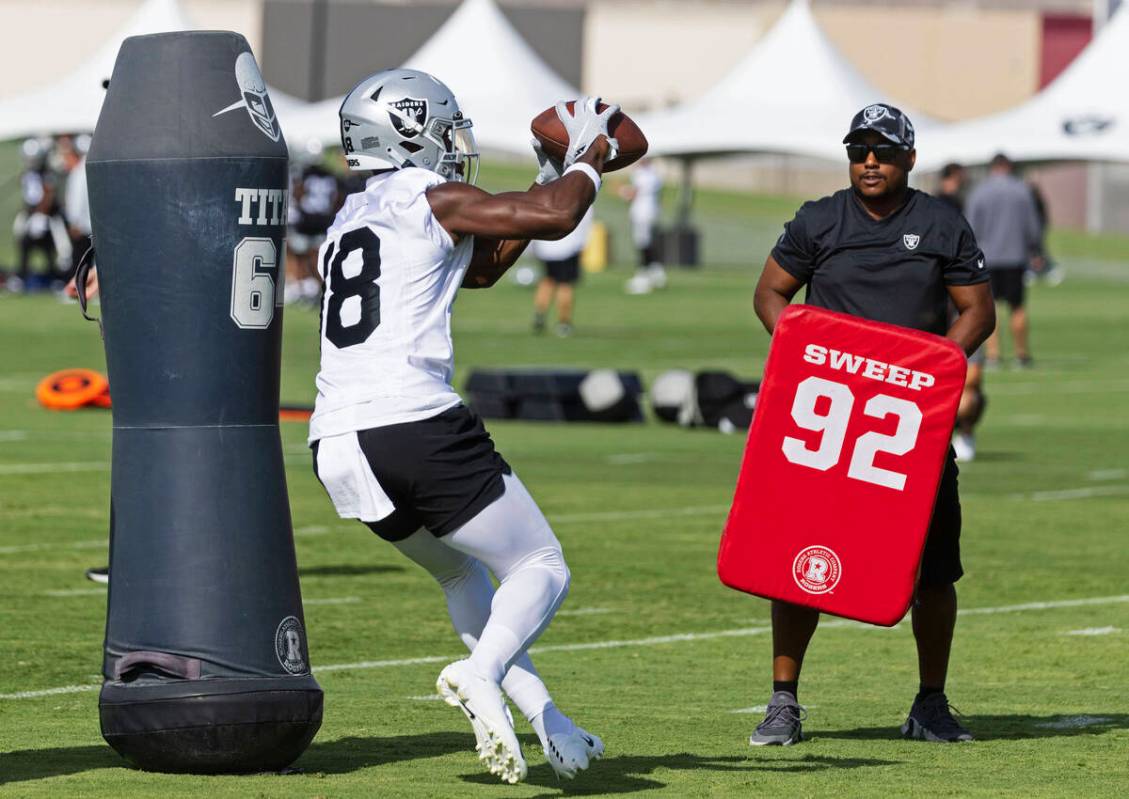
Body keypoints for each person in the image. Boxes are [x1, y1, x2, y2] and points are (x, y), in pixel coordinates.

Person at [308, 69, 615, 784]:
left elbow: (475, 270)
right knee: (541, 567)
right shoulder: (428, 194)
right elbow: (555, 219)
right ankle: (478, 673)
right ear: (410, 131)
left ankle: (547, 718)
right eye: (444, 132)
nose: (454, 146)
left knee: (460, 573)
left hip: (338, 441)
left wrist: (546, 171)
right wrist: (586, 157)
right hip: (410, 419)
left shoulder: (348, 221)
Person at [751, 103, 995, 746]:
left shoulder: (941, 222)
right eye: (859, 149)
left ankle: (931, 702)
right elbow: (770, 292)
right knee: (798, 562)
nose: (869, 161)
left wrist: (935, 369)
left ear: (909, 159)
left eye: (883, 151)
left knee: (936, 569)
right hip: (828, 426)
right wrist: (803, 350)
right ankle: (783, 701)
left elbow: (978, 312)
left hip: (908, 427)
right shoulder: (819, 218)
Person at [965, 153, 1042, 368]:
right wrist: (1035, 250)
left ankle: (993, 355)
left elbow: (970, 226)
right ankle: (1021, 354)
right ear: (1008, 166)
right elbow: (1032, 226)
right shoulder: (1021, 190)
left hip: (987, 257)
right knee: (1017, 306)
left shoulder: (980, 192)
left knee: (991, 307)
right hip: (1015, 256)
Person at [531, 206, 594, 337]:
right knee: (565, 284)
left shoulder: (547, 189)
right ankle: (564, 322)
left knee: (548, 280)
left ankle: (540, 314)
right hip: (568, 246)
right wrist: (583, 244)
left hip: (546, 245)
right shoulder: (579, 192)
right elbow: (586, 220)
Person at [620, 158, 665, 294]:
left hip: (642, 214)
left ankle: (643, 276)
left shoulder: (643, 174)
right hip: (649, 212)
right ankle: (657, 273)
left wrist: (622, 191)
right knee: (647, 244)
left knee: (643, 244)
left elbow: (633, 193)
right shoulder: (654, 174)